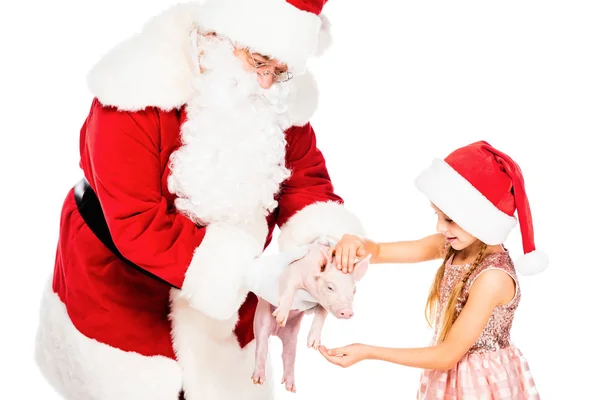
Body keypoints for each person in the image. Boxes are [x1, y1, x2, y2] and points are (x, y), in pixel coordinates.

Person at [33, 1, 366, 399]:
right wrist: (256, 275)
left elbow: (304, 178)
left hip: (229, 302)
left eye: (279, 71)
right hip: (122, 290)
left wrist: (321, 250)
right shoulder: (134, 94)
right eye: (258, 60)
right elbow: (137, 223)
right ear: (218, 36)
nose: (265, 83)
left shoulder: (275, 93)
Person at [320, 140, 547, 399]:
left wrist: (368, 351)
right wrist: (356, 242)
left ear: (479, 216)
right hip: (448, 376)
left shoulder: (492, 278)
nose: (440, 227)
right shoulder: (454, 245)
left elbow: (447, 355)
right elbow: (381, 251)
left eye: (449, 219)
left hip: (481, 384)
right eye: (437, 215)